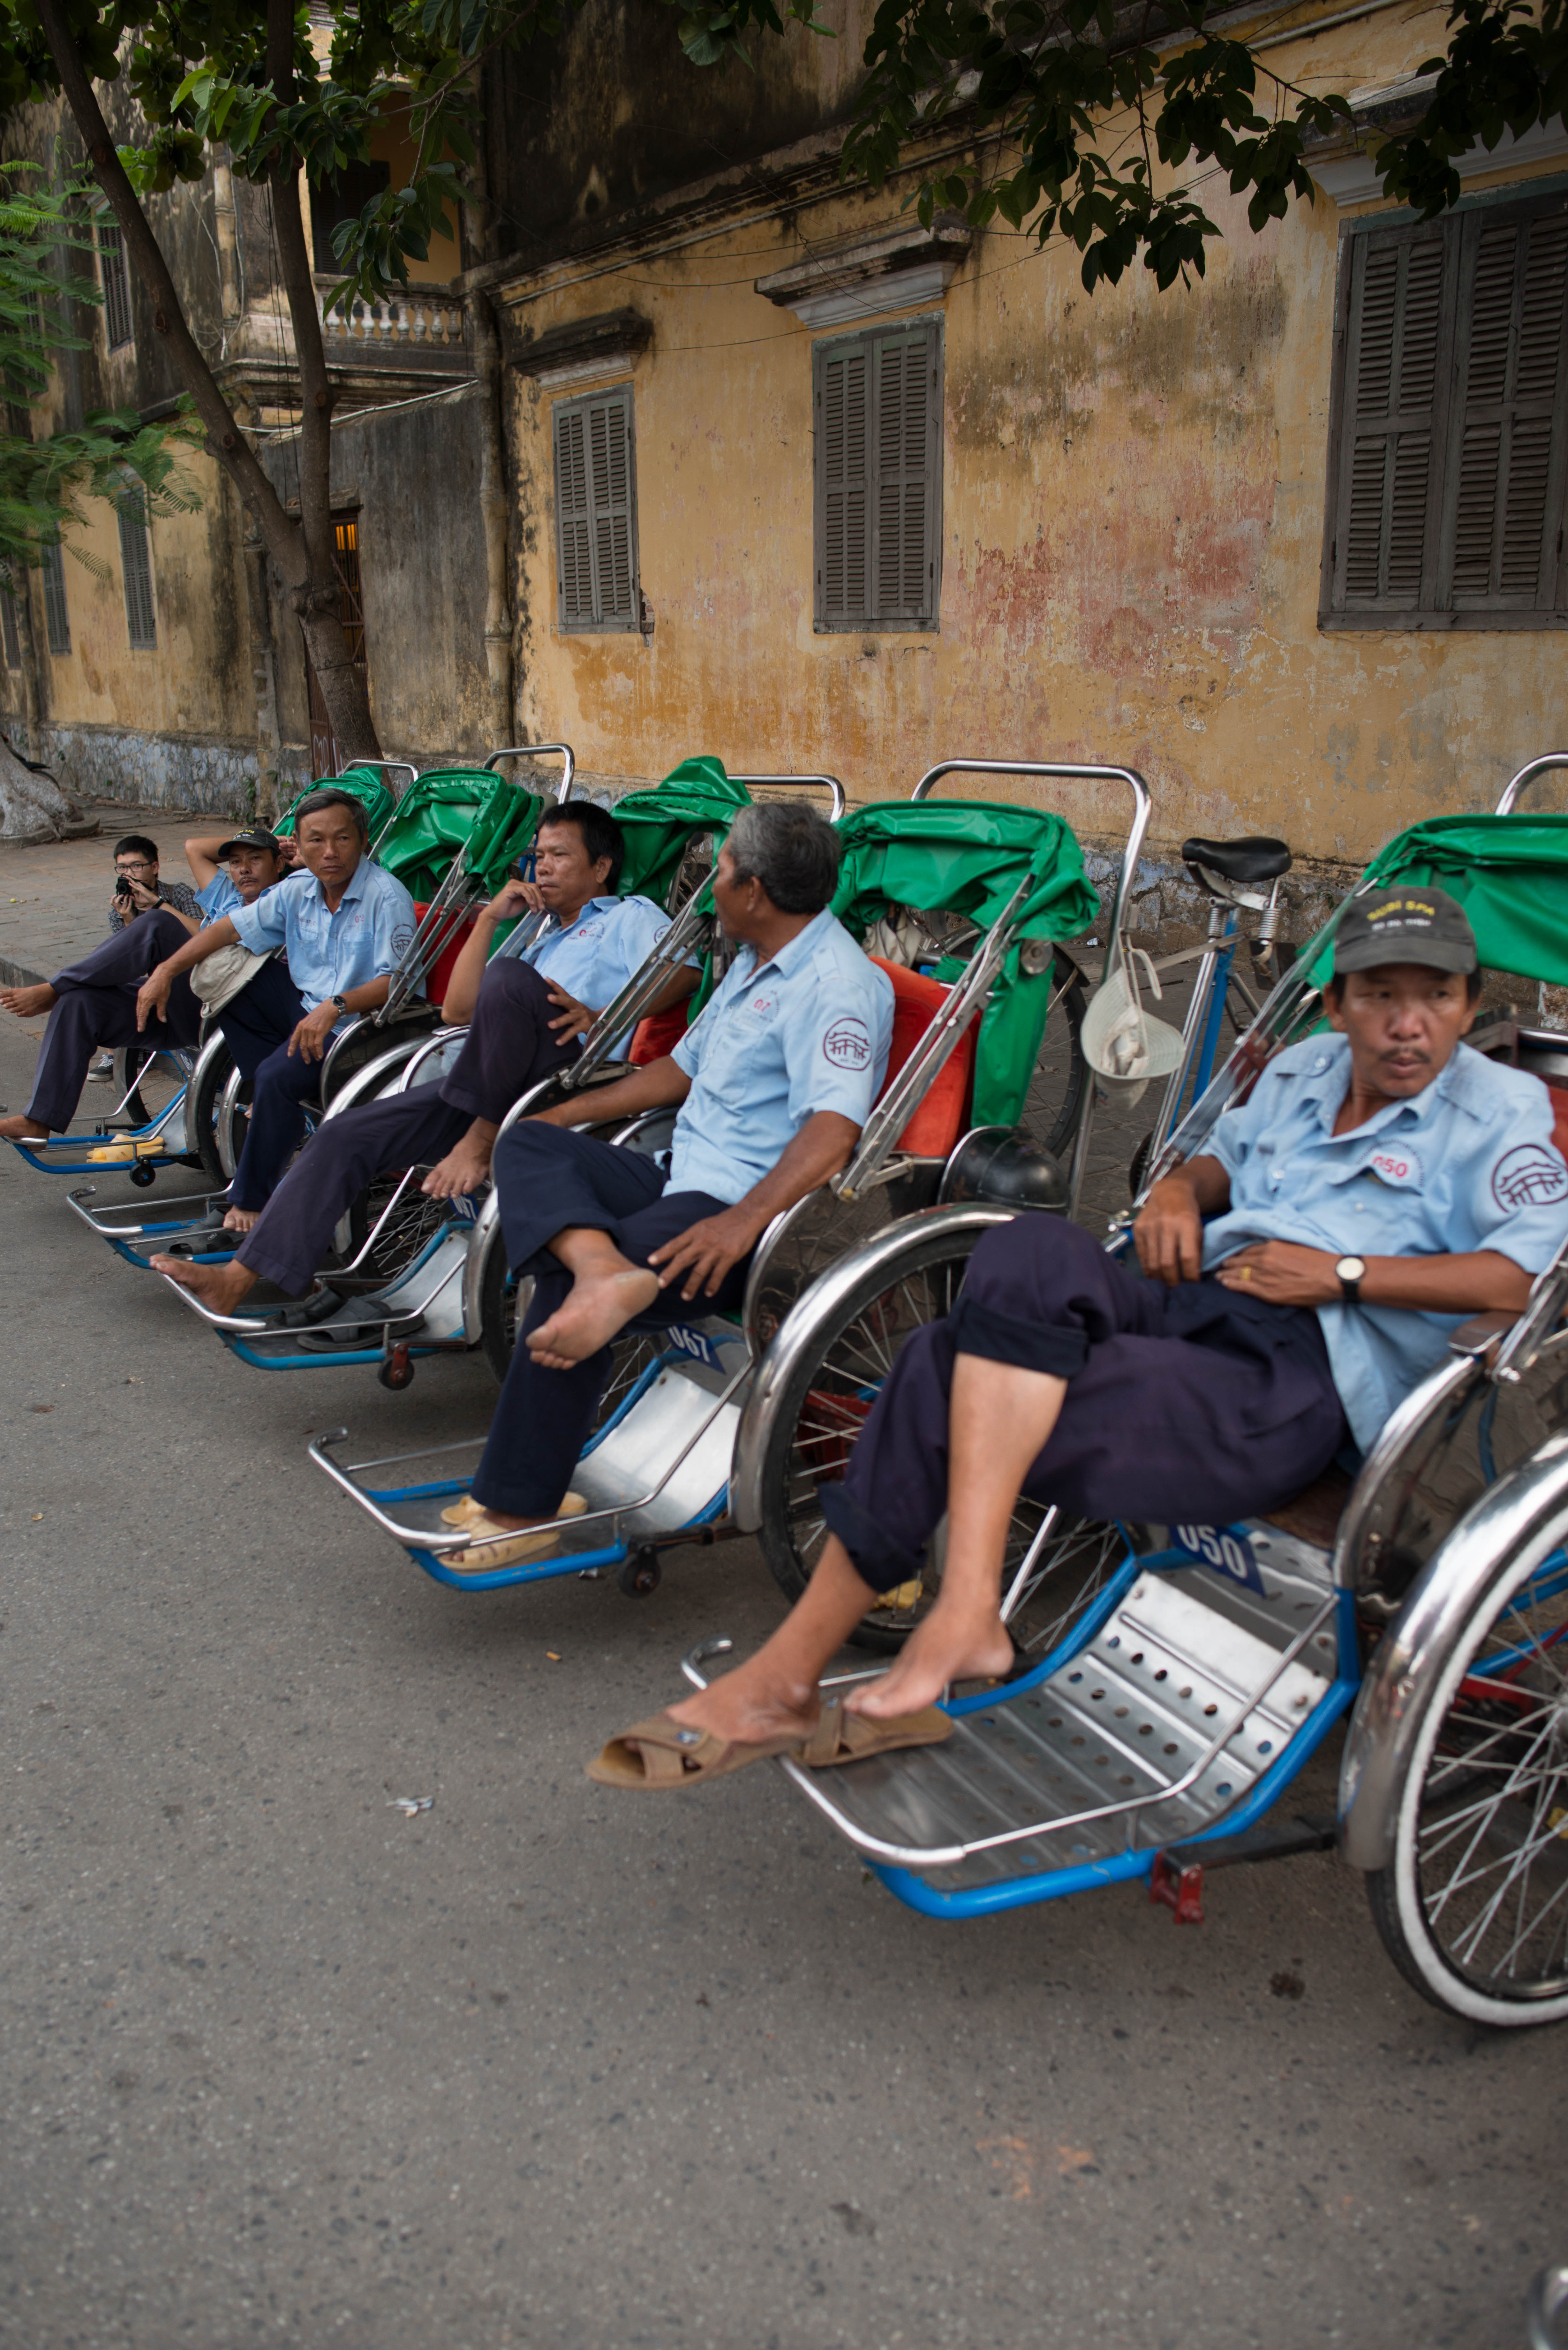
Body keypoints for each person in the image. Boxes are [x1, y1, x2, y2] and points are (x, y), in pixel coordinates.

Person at [592, 883, 1568, 1788]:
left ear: (1468, 1003)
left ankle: (798, 1670)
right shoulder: (1304, 1069)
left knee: (935, 1365)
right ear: (1339, 1004)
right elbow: (1219, 1165)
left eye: (1436, 996)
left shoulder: (1498, 1111)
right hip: (1190, 1295)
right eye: (1381, 995)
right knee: (1027, 1248)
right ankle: (962, 1612)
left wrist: (1344, 1274)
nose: (1408, 1022)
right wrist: (1177, 1191)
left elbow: (1524, 1276)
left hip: (1294, 1374)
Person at [430, 800, 893, 1574]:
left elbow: (833, 1131)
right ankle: (601, 1270)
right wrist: (562, 1113)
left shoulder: (837, 984)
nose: (710, 887)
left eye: (720, 872)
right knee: (529, 1141)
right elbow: (680, 1070)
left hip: (733, 1213)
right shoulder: (752, 958)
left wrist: (739, 1223)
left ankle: (520, 1504)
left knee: (565, 1288)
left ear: (753, 891)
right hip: (673, 1172)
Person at [149, 800, 700, 1308]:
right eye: (539, 856)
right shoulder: (540, 929)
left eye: (560, 856)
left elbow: (686, 972)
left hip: (565, 1078)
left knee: (511, 978)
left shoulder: (628, 915)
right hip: (488, 1078)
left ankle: (478, 1142)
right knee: (345, 1133)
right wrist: (490, 920)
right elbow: (458, 1011)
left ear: (601, 868)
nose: (543, 868)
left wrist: (606, 1015)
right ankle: (237, 1279)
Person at [134, 788, 417, 1232]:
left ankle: (252, 1201)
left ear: (364, 840)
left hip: (359, 1028)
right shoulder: (299, 888)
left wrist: (336, 1005)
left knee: (276, 1076)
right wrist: (166, 972)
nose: (330, 852)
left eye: (342, 839)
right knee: (224, 975)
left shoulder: (386, 896)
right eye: (316, 841)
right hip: (305, 1011)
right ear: (298, 847)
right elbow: (229, 929)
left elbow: (397, 982)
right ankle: (272, 1098)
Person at [0, 830, 286, 1144]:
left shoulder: (284, 898)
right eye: (235, 861)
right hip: (182, 1001)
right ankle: (39, 1119)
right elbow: (194, 846)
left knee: (159, 924)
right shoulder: (227, 897)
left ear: (279, 863)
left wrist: (291, 851)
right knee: (79, 1002)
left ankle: (56, 987)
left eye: (255, 859)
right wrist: (272, 838)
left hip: (226, 1010)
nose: (244, 869)